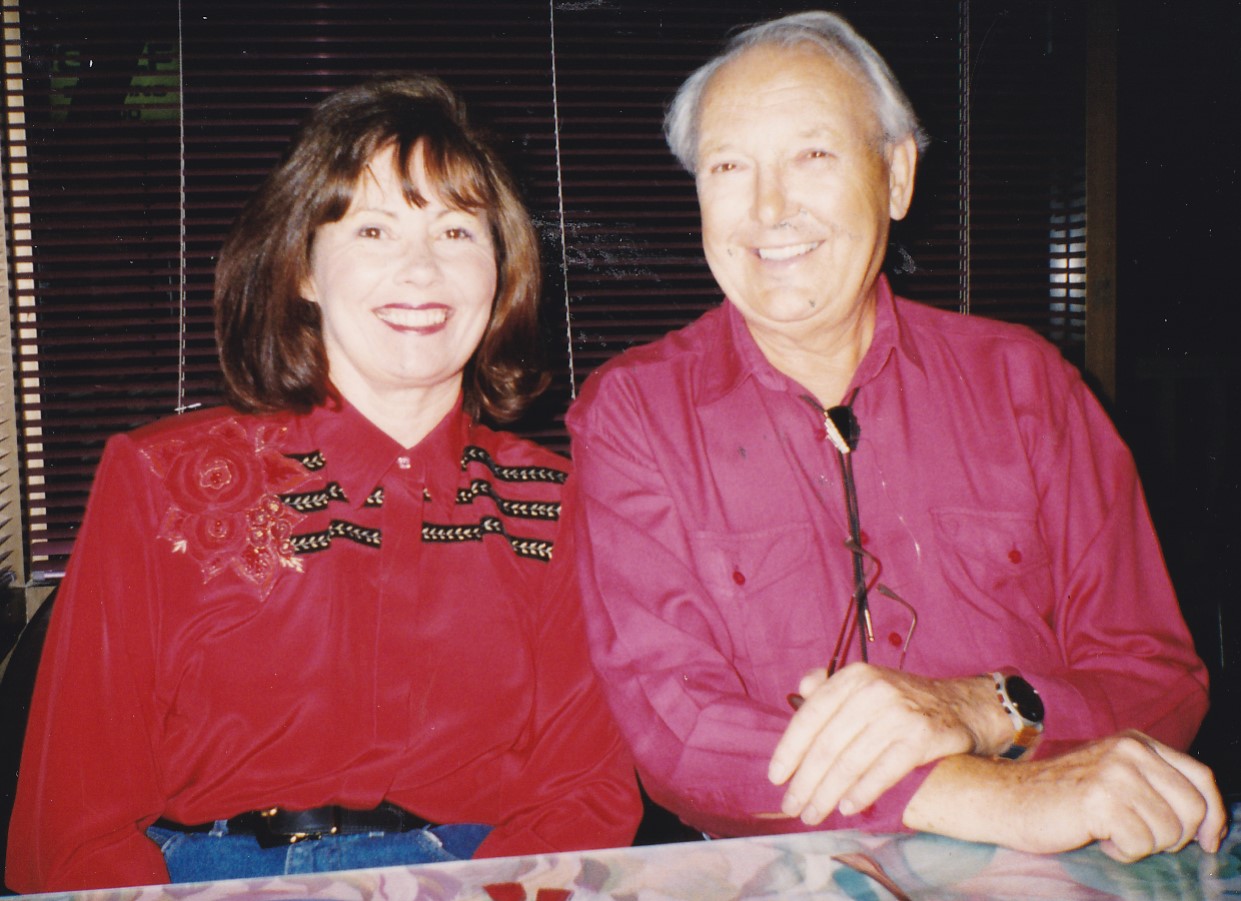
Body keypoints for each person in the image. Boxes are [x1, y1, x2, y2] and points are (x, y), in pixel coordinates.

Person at [566, 11, 1226, 863]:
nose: (768, 208)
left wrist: (978, 709)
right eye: (729, 166)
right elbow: (680, 733)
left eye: (812, 155)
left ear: (897, 177)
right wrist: (985, 793)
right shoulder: (635, 414)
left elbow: (1158, 678)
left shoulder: (1029, 388)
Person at [7, 74, 640, 892]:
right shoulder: (159, 478)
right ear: (303, 268)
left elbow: (581, 798)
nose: (421, 268)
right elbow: (74, 827)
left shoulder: (560, 504)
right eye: (373, 229)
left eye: (456, 231)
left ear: (500, 271)